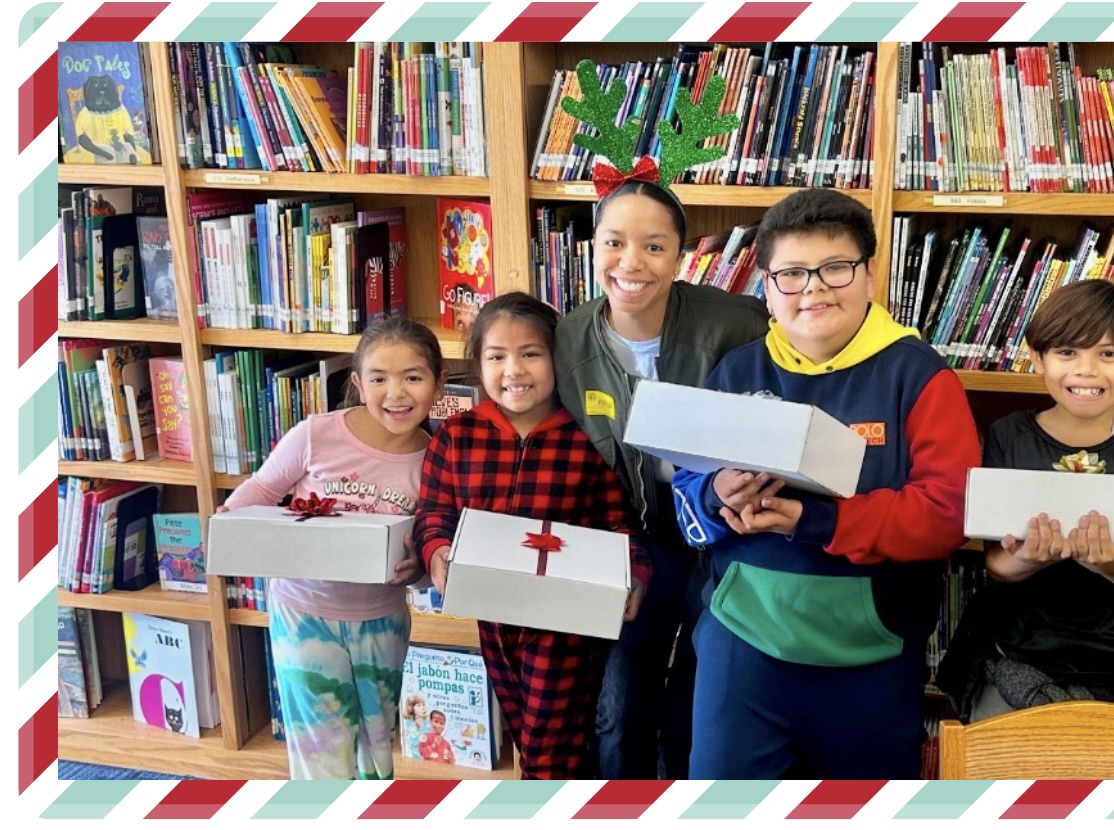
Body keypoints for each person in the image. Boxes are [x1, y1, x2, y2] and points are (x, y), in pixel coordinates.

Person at [672, 188, 980, 778]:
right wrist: (716, 495)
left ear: (869, 275)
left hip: (870, 651)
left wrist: (811, 520)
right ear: (765, 286)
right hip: (742, 643)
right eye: (791, 273)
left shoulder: (918, 374)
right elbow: (685, 488)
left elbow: (946, 514)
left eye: (834, 268)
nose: (813, 288)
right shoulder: (737, 371)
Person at [555, 179, 769, 779]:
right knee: (619, 710)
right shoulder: (568, 338)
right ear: (591, 248)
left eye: (654, 247)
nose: (631, 263)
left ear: (681, 255)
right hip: (632, 545)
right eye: (614, 243)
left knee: (699, 715)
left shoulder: (739, 324)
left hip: (727, 542)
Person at [416, 292, 652, 780]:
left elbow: (620, 524)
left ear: (557, 358)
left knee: (548, 752)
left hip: (564, 624)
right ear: (477, 364)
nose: (513, 371)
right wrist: (437, 549)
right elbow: (434, 510)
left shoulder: (588, 438)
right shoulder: (456, 437)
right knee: (531, 737)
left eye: (531, 354)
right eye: (496, 357)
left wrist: (636, 573)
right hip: (492, 614)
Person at [936, 278, 1114, 722]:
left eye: (1108, 354)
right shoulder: (1008, 434)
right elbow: (998, 563)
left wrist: (1104, 562)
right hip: (1021, 648)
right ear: (1038, 358)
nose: (1086, 370)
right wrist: (1033, 559)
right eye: (1067, 352)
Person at [220, 316, 443, 779]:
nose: (396, 393)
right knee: (321, 752)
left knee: (376, 752)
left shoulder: (437, 459)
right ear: (359, 383)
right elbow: (253, 497)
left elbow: (430, 546)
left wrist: (416, 570)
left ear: (438, 386)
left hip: (382, 622)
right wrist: (246, 537)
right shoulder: (315, 434)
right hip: (303, 616)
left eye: (413, 377)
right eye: (380, 378)